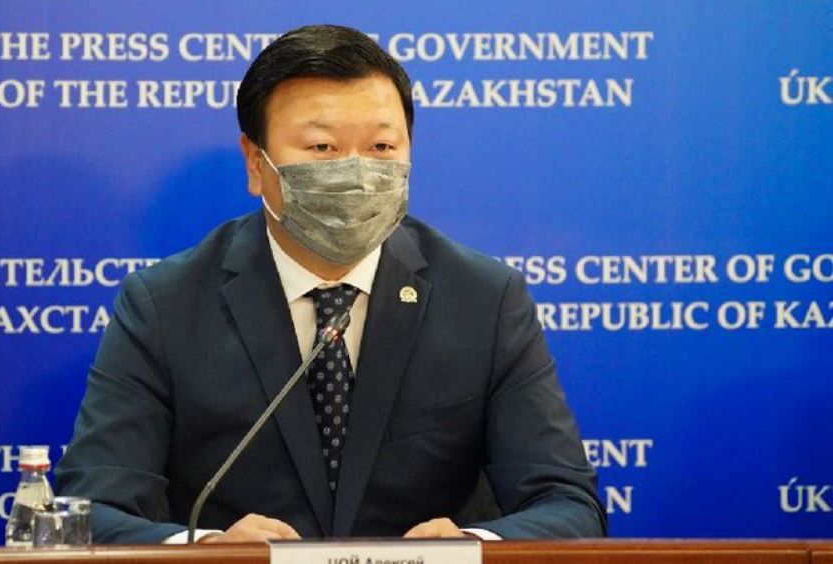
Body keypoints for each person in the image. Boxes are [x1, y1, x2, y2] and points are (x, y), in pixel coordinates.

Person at [55, 24, 607, 544]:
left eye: (382, 148)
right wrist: (209, 548)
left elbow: (568, 505)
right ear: (255, 163)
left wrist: (470, 546)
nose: (356, 173)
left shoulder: (484, 299)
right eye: (322, 148)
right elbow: (90, 508)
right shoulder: (166, 304)